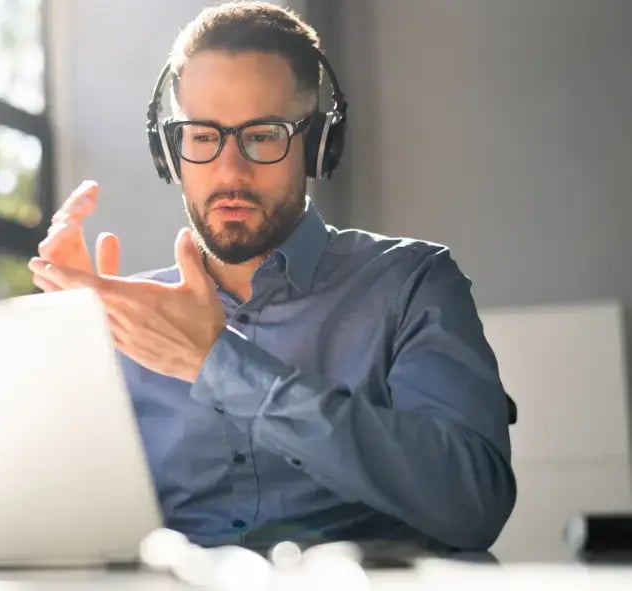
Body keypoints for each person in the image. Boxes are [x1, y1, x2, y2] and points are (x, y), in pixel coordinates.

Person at [29, 1, 515, 554]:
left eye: (263, 135)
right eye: (203, 135)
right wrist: (62, 351)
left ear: (316, 144)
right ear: (171, 151)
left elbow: (473, 504)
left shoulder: (412, 284)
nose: (230, 170)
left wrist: (218, 363)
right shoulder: (125, 319)